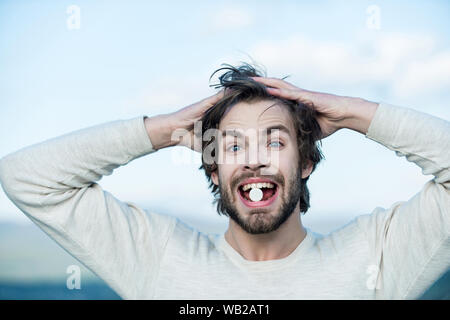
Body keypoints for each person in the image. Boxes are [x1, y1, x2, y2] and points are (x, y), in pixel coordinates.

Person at [0, 63, 448, 300]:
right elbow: (26, 178)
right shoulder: (157, 257)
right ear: (213, 169)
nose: (253, 161)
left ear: (306, 160)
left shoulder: (374, 258)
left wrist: (353, 112)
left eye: (274, 142)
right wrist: (163, 129)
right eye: (233, 146)